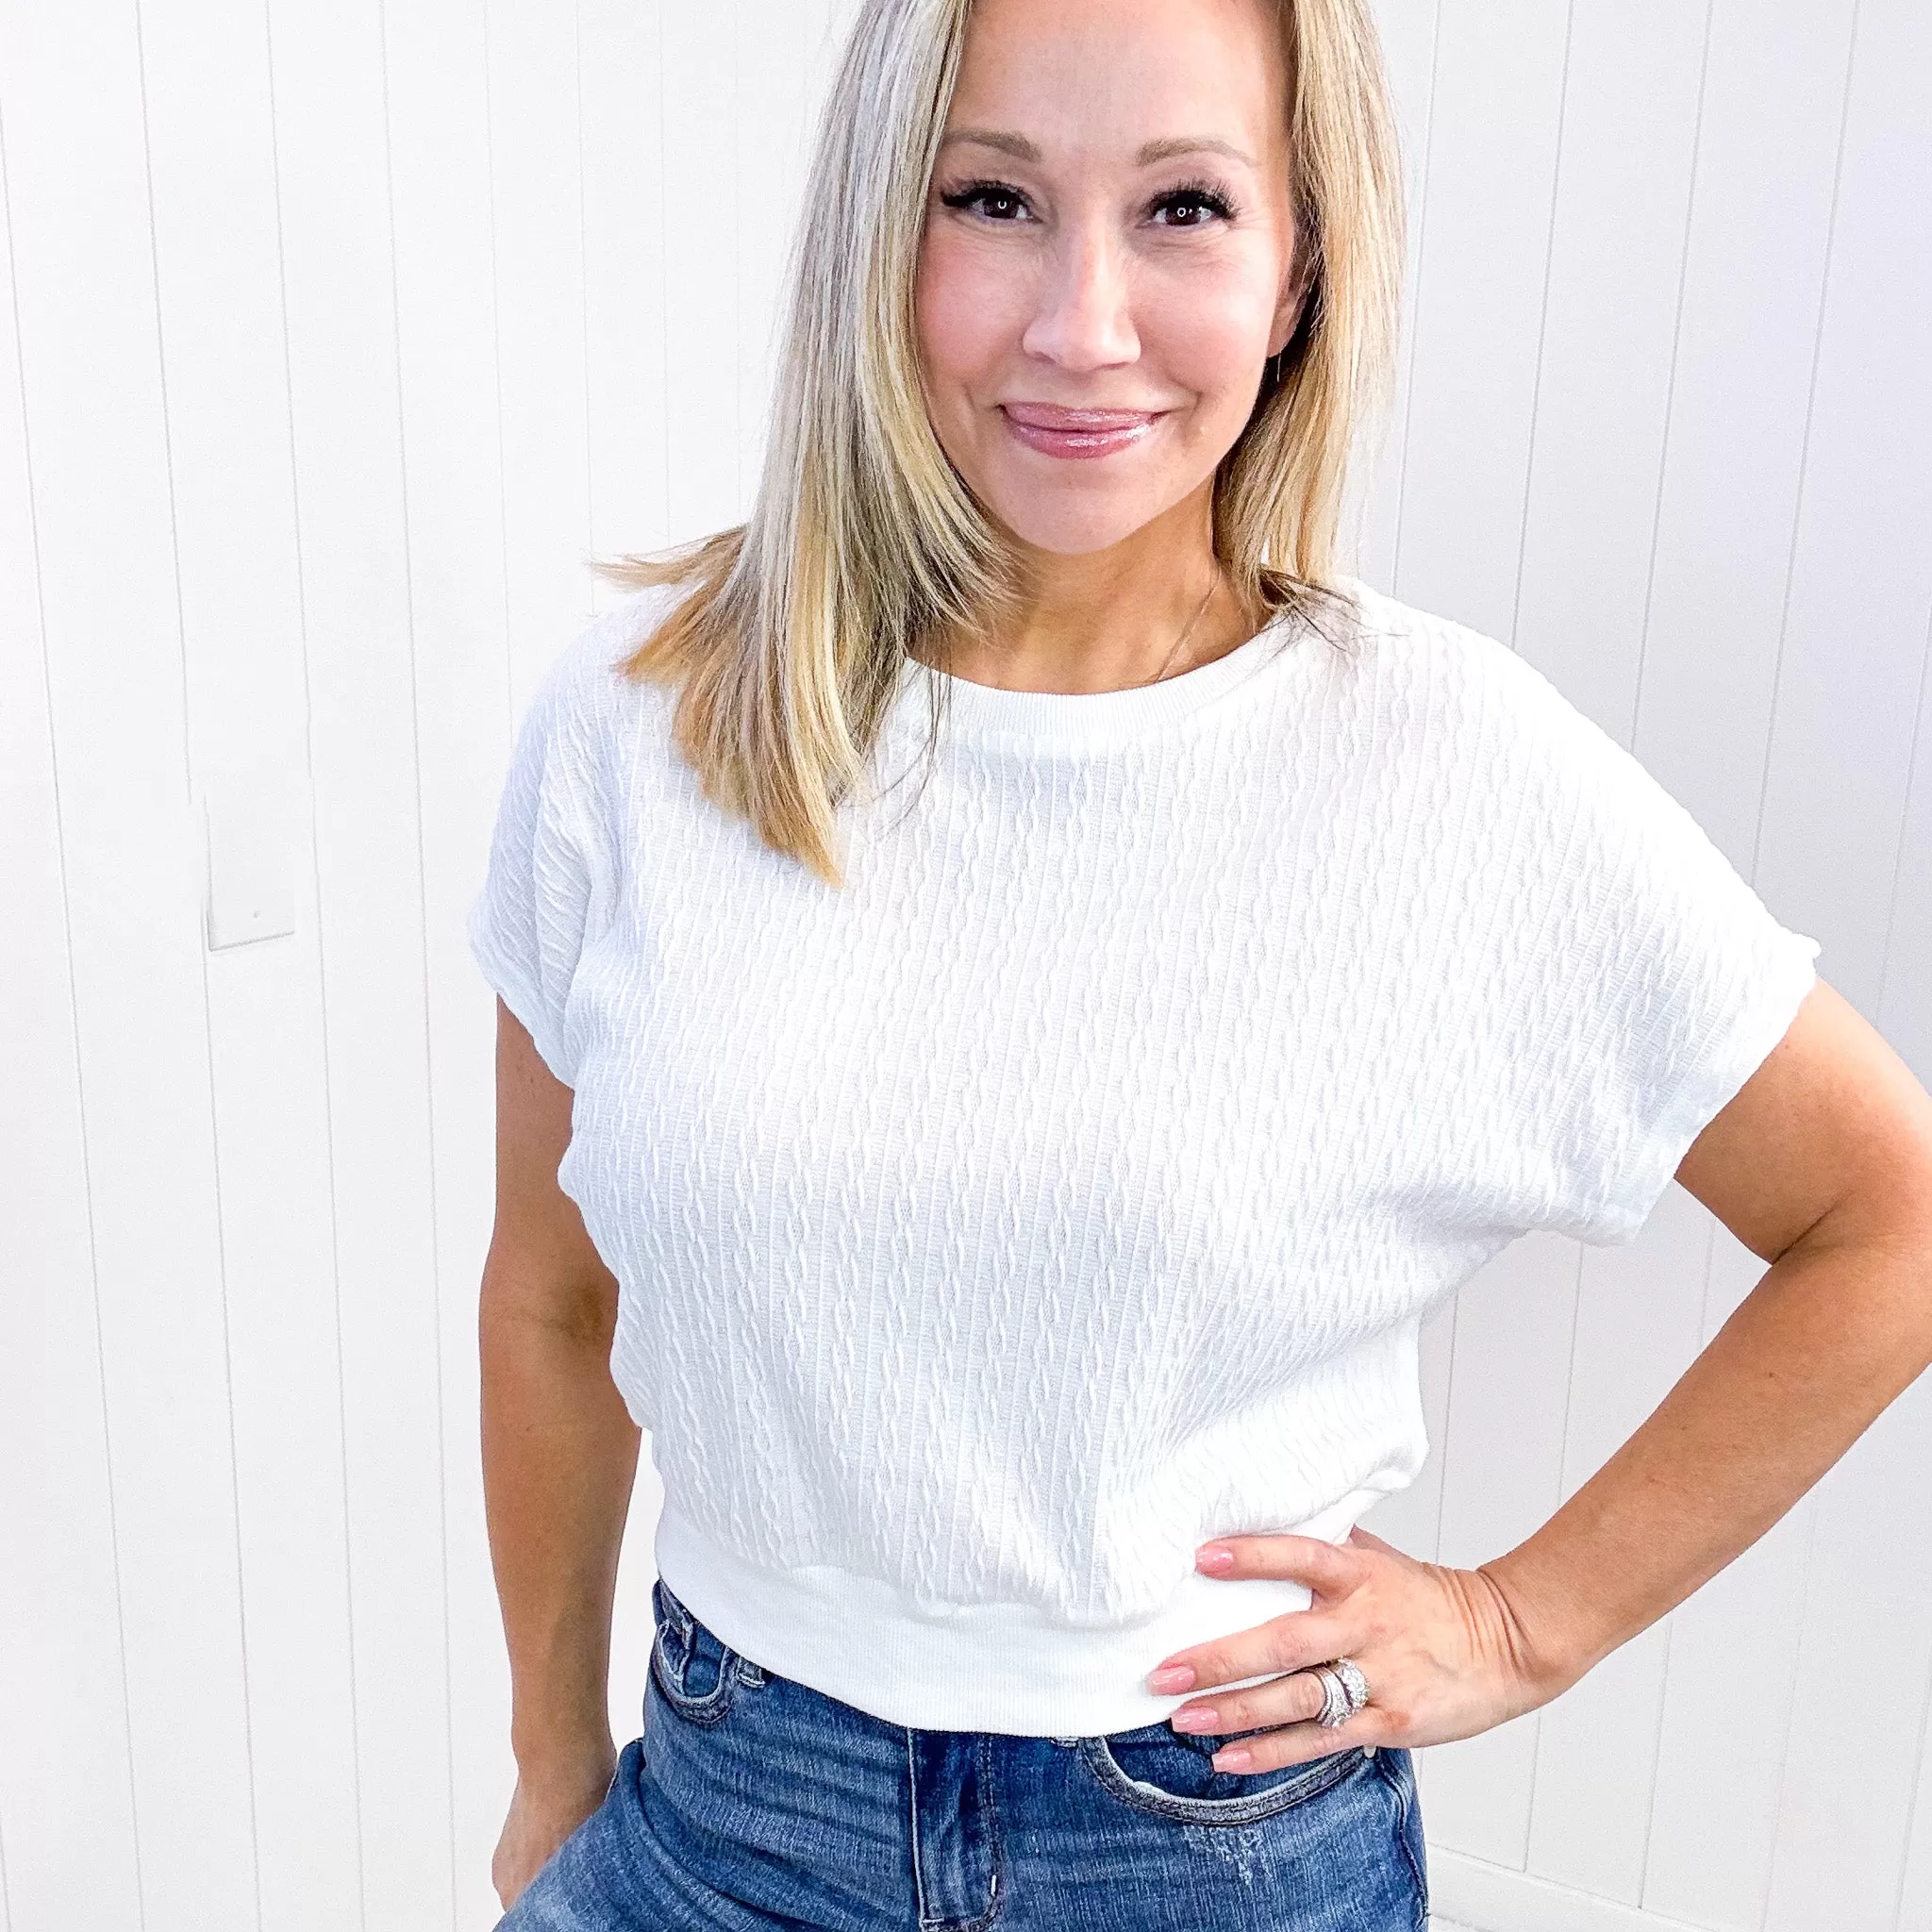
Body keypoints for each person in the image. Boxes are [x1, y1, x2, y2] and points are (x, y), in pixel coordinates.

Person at [467, 0, 1932, 1924]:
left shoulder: (1448, 773)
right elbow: (548, 1305)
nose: (1081, 323)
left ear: (1297, 262)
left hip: (1205, 1846)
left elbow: (1881, 1214)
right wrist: (554, 1764)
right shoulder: (643, 726)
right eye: (990, 197)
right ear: (874, 234)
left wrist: (1514, 1623)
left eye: (1182, 208)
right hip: (719, 1809)